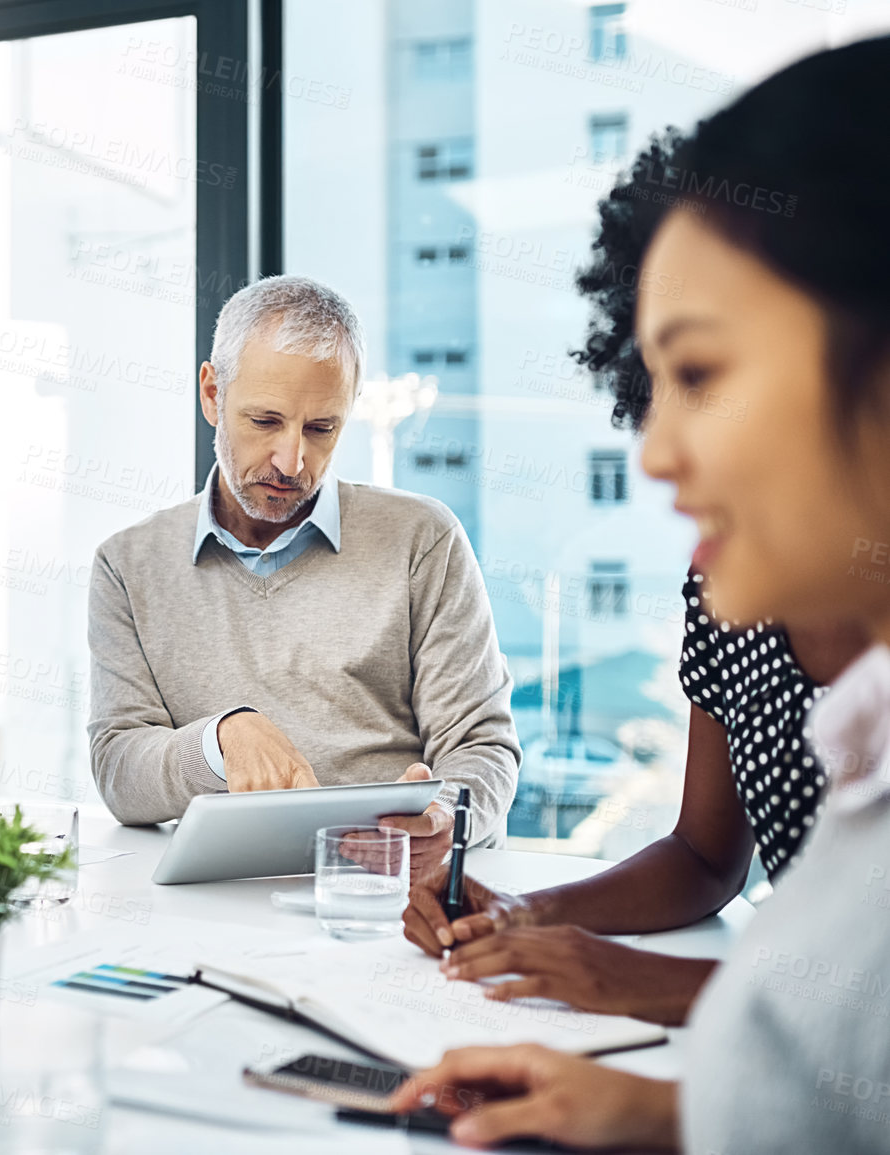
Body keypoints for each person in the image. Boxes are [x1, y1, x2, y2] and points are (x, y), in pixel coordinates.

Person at [387, 36, 890, 1152]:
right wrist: (655, 1109)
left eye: (702, 375)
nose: (656, 452)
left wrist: (627, 985)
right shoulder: (793, 658)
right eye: (652, 387)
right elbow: (722, 871)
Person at [87, 275, 520, 874]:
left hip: (386, 893)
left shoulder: (424, 539)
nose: (292, 462)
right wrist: (220, 741)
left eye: (321, 429)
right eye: (265, 421)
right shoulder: (127, 565)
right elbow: (119, 770)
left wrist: (447, 815)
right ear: (212, 394)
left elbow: (480, 746)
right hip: (218, 895)